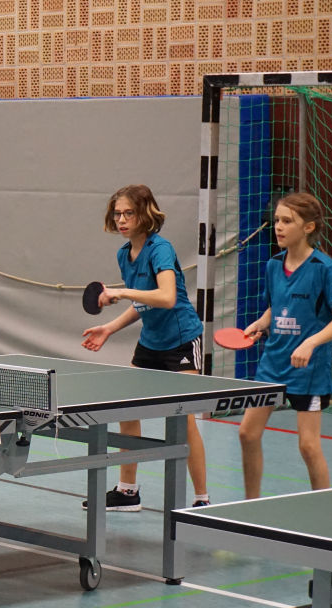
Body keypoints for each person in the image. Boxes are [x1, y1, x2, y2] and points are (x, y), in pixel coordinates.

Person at [81, 184, 210, 511]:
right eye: (117, 214)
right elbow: (144, 303)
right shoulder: (124, 255)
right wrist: (109, 328)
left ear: (145, 214)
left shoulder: (160, 249)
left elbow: (166, 297)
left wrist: (122, 292)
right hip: (151, 341)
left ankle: (202, 499)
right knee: (127, 410)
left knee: (184, 420)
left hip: (181, 340)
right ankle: (128, 492)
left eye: (129, 213)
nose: (122, 220)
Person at [237, 192, 332, 498]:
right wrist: (261, 323)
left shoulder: (324, 268)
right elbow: (277, 306)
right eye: (277, 220)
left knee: (308, 446)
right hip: (272, 363)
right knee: (247, 433)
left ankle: (321, 510)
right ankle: (251, 505)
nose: (278, 226)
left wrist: (310, 343)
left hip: (308, 370)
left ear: (308, 227)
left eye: (287, 221)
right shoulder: (273, 265)